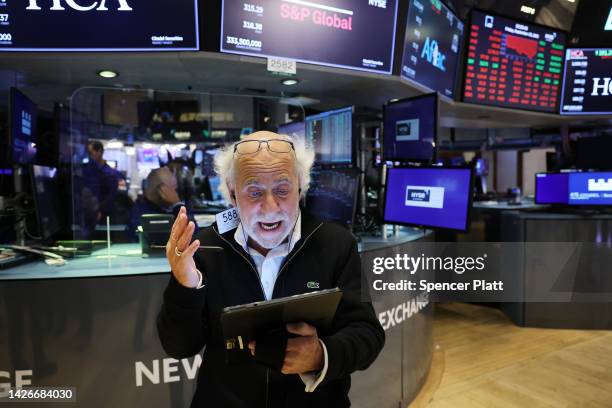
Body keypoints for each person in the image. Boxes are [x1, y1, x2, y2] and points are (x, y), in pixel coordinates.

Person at [157, 131, 385, 407]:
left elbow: (367, 333)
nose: (270, 207)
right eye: (254, 192)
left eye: (282, 189)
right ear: (232, 194)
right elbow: (179, 347)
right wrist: (185, 285)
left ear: (300, 186)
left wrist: (322, 355)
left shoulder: (336, 245)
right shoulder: (204, 248)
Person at [126, 167, 194, 242]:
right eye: (174, 189)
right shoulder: (147, 216)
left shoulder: (156, 208)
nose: (176, 194)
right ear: (162, 190)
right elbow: (192, 235)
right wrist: (177, 204)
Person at [81, 140, 123, 223]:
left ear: (99, 152)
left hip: (104, 215)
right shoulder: (85, 170)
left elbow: (111, 196)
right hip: (87, 213)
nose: (88, 155)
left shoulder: (110, 173)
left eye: (90, 152)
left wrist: (99, 209)